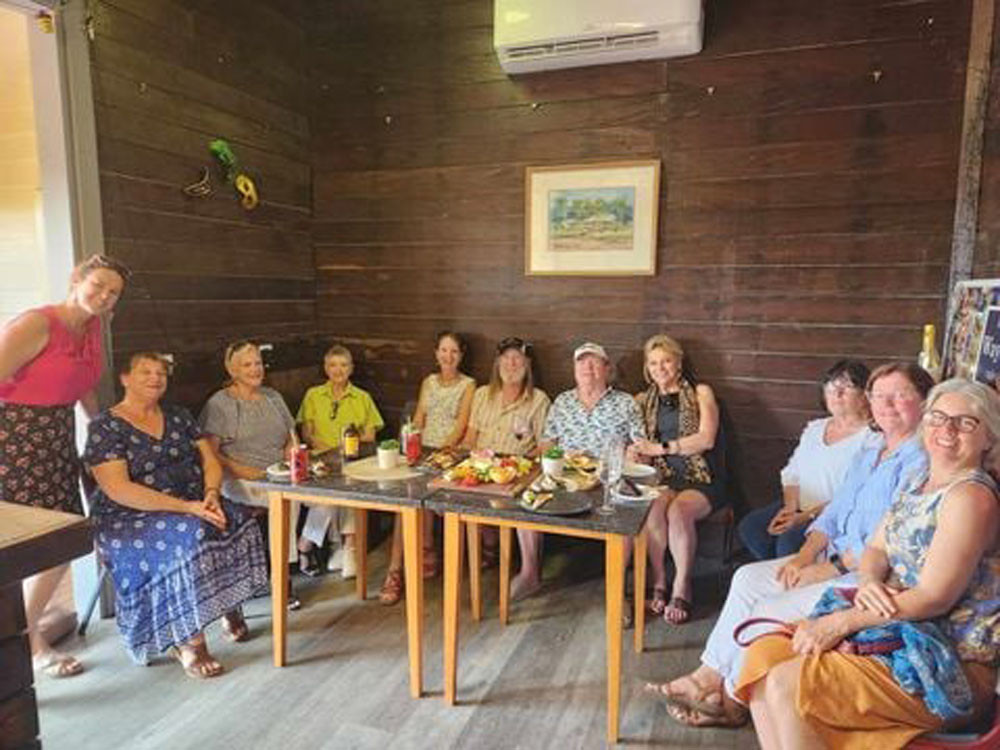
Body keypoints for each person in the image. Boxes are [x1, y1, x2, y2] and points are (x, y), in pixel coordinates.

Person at [646, 363, 934, 728]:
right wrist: (801, 557)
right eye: (880, 396)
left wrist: (823, 569)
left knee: (770, 605)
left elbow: (887, 543)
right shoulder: (872, 453)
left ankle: (732, 699)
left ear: (925, 401)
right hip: (831, 556)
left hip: (868, 579)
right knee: (748, 578)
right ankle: (705, 677)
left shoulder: (919, 462)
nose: (886, 404)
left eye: (900, 395)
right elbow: (833, 514)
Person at [736, 378, 1000, 749]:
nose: (947, 430)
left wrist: (842, 620)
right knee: (763, 655)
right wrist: (870, 582)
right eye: (938, 417)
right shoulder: (920, 480)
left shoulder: (971, 496)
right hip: (898, 633)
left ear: (989, 437)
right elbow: (875, 549)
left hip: (948, 664)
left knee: (790, 684)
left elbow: (933, 598)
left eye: (966, 422)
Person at [83, 353, 268, 679]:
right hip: (129, 516)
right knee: (192, 534)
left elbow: (210, 460)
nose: (156, 378)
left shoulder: (179, 416)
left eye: (161, 373)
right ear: (125, 378)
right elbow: (119, 489)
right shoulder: (106, 426)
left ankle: (226, 605)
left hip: (194, 500)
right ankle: (190, 640)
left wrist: (211, 493)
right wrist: (189, 508)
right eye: (145, 372)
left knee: (240, 517)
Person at [0, 253, 129, 678]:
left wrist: (104, 432)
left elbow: (84, 386)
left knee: (68, 532)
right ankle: (28, 641)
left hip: (55, 436)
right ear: (77, 280)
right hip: (13, 437)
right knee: (16, 545)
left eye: (113, 293)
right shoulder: (37, 324)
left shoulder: (92, 328)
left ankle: (27, 629)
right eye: (98, 286)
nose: (104, 296)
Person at [513, 342, 644, 601]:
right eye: (582, 362)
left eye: (594, 362)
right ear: (574, 369)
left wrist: (630, 455)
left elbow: (640, 444)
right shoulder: (562, 402)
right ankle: (530, 573)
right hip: (565, 477)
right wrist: (529, 448)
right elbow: (547, 445)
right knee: (528, 495)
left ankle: (617, 591)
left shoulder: (625, 402)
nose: (588, 367)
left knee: (627, 511)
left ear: (607, 369)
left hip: (608, 478)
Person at [628, 334, 727, 624]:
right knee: (655, 506)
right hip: (663, 477)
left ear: (679, 363)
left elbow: (706, 439)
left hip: (702, 476)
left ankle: (683, 584)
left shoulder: (701, 393)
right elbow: (638, 444)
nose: (661, 368)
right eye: (654, 363)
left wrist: (661, 448)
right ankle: (659, 582)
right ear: (647, 367)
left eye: (667, 361)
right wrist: (637, 453)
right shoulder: (642, 400)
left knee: (678, 510)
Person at [198, 340, 303, 609]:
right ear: (232, 370)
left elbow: (292, 437)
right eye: (247, 364)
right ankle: (283, 576)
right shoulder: (220, 404)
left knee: (316, 493)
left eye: (257, 363)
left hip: (279, 473)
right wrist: (252, 473)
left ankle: (300, 555)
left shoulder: (273, 397)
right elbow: (212, 454)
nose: (255, 369)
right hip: (238, 480)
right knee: (285, 501)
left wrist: (291, 458)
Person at [738, 360, 873, 561]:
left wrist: (804, 516)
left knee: (788, 542)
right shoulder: (815, 428)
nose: (837, 394)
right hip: (798, 505)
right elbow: (792, 472)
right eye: (831, 387)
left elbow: (855, 494)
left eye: (847, 387)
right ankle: (775, 576)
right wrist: (790, 507)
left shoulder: (872, 436)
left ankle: (793, 583)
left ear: (865, 395)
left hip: (833, 514)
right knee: (752, 528)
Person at [379, 331, 475, 605]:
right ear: (435, 353)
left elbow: (462, 425)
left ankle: (427, 546)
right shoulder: (428, 382)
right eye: (443, 350)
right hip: (423, 451)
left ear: (461, 356)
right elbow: (419, 417)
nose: (448, 356)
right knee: (405, 500)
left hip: (451, 453)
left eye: (454, 352)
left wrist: (440, 452)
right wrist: (412, 444)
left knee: (425, 487)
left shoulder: (469, 384)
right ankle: (394, 572)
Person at [460, 337, 550, 572]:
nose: (511, 364)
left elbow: (544, 447)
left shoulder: (539, 400)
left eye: (517, 358)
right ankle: (485, 547)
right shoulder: (481, 394)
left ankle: (497, 551)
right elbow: (470, 437)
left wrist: (519, 465)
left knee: (505, 496)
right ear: (497, 363)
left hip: (516, 471)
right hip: (480, 467)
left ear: (527, 364)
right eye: (506, 358)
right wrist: (467, 458)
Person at [296, 344, 384, 579]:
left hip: (353, 462)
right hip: (320, 462)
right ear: (326, 368)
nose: (338, 370)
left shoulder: (362, 398)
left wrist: (345, 449)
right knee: (329, 497)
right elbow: (307, 433)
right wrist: (328, 451)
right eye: (333, 365)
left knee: (347, 489)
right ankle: (333, 548)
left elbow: (369, 436)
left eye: (344, 365)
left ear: (351, 368)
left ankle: (341, 548)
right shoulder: (313, 395)